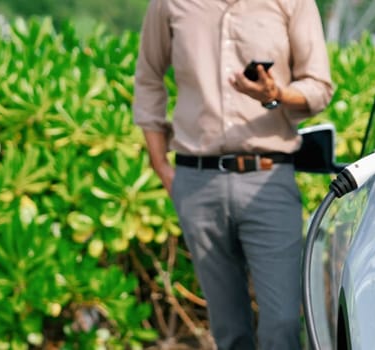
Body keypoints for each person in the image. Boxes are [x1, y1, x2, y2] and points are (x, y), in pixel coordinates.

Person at [132, 0, 334, 349]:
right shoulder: (169, 4)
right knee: (228, 328)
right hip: (197, 183)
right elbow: (149, 77)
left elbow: (319, 86)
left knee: (283, 322)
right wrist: (160, 166)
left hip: (269, 180)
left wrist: (276, 94)